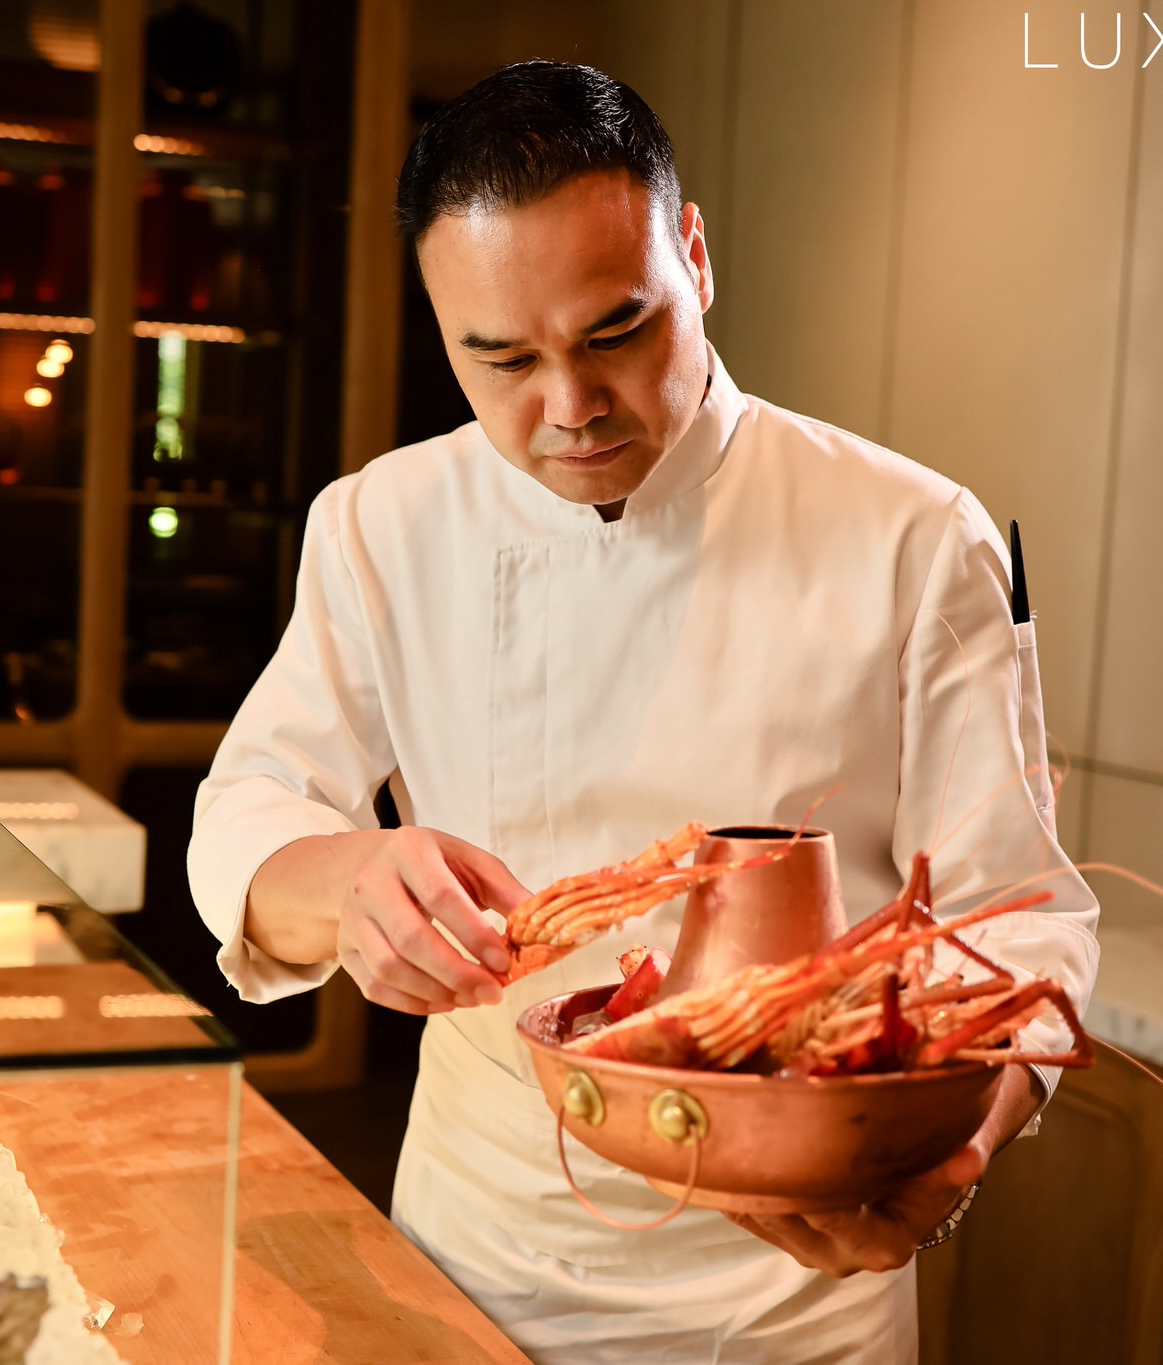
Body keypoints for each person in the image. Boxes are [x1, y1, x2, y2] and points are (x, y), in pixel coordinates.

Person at [187, 62, 1099, 1364]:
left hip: (793, 1285)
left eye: (616, 333)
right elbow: (247, 810)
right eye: (500, 358)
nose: (568, 408)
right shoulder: (379, 523)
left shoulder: (915, 535)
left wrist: (953, 1153)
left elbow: (1021, 916)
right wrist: (348, 885)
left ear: (696, 258)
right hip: (475, 1247)